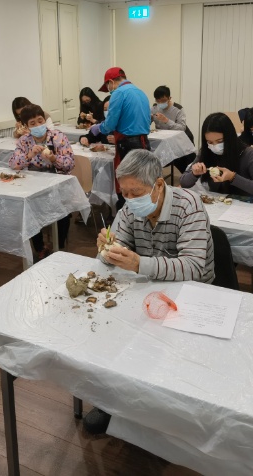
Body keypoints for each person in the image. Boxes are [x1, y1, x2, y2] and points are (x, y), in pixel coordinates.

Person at [85, 149, 215, 434]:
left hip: (189, 295)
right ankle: (111, 400)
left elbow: (194, 266)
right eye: (125, 193)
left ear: (158, 184)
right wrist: (107, 250)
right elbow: (113, 254)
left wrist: (138, 263)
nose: (130, 200)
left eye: (136, 192)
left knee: (172, 358)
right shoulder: (130, 208)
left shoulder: (189, 204)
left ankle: (172, 410)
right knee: (112, 333)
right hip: (146, 288)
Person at [8, 104, 74, 259]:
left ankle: (59, 247)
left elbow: (70, 164)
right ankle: (40, 248)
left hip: (57, 183)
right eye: (33, 123)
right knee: (28, 210)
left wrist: (54, 158)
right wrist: (29, 155)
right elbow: (13, 164)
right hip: (34, 185)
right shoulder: (24, 141)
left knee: (63, 211)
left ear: (45, 120)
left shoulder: (58, 137)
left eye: (40, 121)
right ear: (26, 127)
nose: (38, 125)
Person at [91, 67, 152, 207]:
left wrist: (99, 127)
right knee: (143, 181)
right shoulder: (140, 92)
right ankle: (144, 211)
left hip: (128, 145)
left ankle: (126, 216)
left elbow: (110, 124)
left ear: (111, 82)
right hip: (144, 142)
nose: (109, 90)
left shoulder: (119, 93)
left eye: (108, 86)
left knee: (127, 184)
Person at [180, 113, 253, 200]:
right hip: (217, 203)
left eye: (220, 141)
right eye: (210, 142)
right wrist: (194, 174)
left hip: (245, 205)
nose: (215, 146)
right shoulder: (206, 152)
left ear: (230, 137)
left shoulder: (249, 154)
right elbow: (184, 183)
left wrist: (233, 177)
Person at [151, 85, 197, 174]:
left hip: (179, 139)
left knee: (184, 158)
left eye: (163, 101)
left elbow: (182, 128)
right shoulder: (154, 108)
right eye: (158, 101)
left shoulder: (178, 109)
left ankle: (190, 175)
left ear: (169, 98)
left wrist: (166, 121)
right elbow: (147, 121)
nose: (160, 103)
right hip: (163, 139)